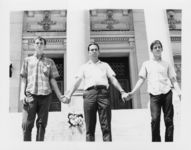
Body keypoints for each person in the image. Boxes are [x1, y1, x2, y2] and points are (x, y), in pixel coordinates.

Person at [62, 42, 129, 141]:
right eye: (91, 50)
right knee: (89, 126)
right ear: (88, 53)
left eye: (95, 49)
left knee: (106, 125)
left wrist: (122, 91)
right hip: (89, 94)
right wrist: (69, 95)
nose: (94, 51)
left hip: (103, 94)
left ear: (99, 52)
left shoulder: (105, 65)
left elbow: (113, 79)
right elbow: (77, 82)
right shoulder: (83, 67)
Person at [126, 40, 181, 142]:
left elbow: (173, 80)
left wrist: (180, 93)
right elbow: (141, 79)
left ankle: (169, 143)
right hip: (154, 95)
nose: (157, 49)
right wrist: (132, 92)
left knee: (168, 120)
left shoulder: (167, 64)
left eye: (159, 47)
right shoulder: (146, 64)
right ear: (151, 50)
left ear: (162, 49)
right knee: (155, 119)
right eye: (155, 47)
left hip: (167, 93)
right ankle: (156, 143)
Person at [20, 36, 64, 141]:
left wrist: (59, 96)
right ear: (34, 45)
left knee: (41, 123)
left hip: (46, 95)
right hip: (31, 95)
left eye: (41, 43)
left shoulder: (50, 62)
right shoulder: (27, 60)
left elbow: (53, 80)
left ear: (44, 46)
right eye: (37, 43)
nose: (39, 45)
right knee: (27, 123)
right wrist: (22, 94)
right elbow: (24, 79)